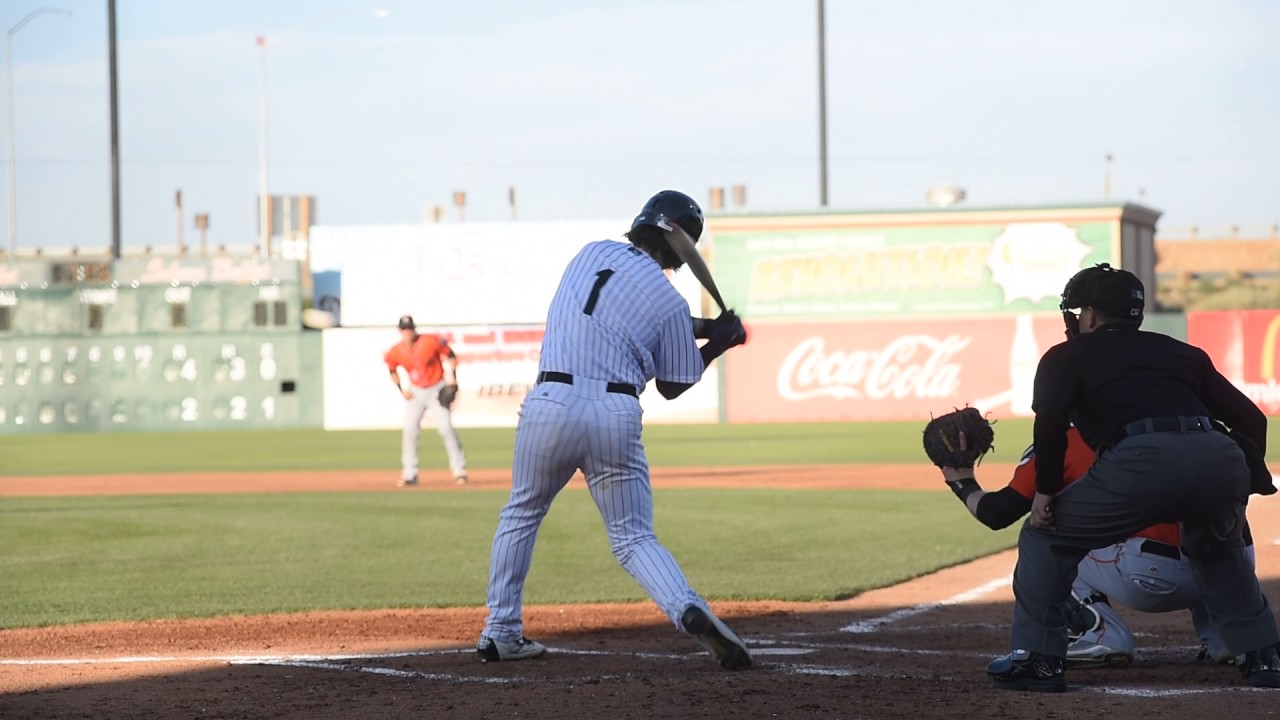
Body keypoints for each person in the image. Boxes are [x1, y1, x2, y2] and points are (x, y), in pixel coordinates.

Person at [476, 190, 752, 669]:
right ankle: (687, 607)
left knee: (521, 513)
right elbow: (671, 385)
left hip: (551, 401)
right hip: (614, 414)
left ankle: (500, 633)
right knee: (633, 538)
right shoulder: (668, 300)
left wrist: (711, 328)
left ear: (642, 224)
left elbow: (622, 313)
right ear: (683, 250)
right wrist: (720, 343)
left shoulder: (591, 253)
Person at [982, 263, 1278, 692]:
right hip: (1218, 453)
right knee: (1216, 550)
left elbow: (1049, 423)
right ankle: (1264, 656)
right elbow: (1250, 418)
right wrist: (1241, 493)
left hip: (1141, 457)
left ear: (1090, 316)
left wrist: (1046, 492)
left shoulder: (1066, 355)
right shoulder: (1182, 352)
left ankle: (1039, 661)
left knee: (1046, 538)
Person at [941, 426, 1256, 668]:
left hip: (1149, 578)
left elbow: (998, 513)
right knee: (1218, 516)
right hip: (1227, 573)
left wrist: (961, 481)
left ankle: (1101, 633)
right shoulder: (1198, 429)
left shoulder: (1070, 438)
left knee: (1050, 540)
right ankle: (1227, 633)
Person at [383, 315, 468, 486]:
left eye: (410, 328)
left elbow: (451, 355)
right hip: (415, 392)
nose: (408, 332)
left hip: (436, 388)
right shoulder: (395, 351)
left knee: (445, 428)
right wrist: (402, 390)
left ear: (414, 328)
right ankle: (410, 474)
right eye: (405, 329)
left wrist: (453, 379)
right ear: (400, 331)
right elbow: (392, 369)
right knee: (410, 430)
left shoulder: (430, 341)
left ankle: (459, 470)